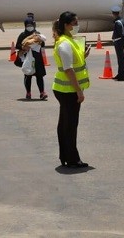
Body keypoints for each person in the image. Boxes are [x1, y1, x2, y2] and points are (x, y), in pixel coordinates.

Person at [52, 11, 91, 168]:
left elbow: (72, 63)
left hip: (65, 89)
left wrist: (84, 55)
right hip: (67, 91)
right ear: (66, 25)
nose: (77, 26)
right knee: (70, 126)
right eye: (74, 23)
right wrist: (79, 91)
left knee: (65, 124)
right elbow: (69, 70)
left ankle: (65, 156)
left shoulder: (69, 40)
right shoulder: (65, 43)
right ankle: (72, 159)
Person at [16, 18, 47, 100]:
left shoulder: (37, 34)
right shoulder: (22, 35)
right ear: (25, 26)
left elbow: (43, 44)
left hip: (37, 58)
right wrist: (24, 47)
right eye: (28, 25)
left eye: (31, 25)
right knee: (28, 75)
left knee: (39, 76)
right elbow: (17, 45)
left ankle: (42, 92)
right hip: (27, 58)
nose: (29, 27)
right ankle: (28, 92)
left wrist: (39, 40)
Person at [111, 5, 124, 81]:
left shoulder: (118, 22)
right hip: (120, 41)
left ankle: (122, 76)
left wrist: (123, 38)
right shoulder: (121, 20)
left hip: (118, 41)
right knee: (120, 59)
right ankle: (120, 74)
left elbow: (121, 33)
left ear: (113, 13)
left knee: (121, 59)